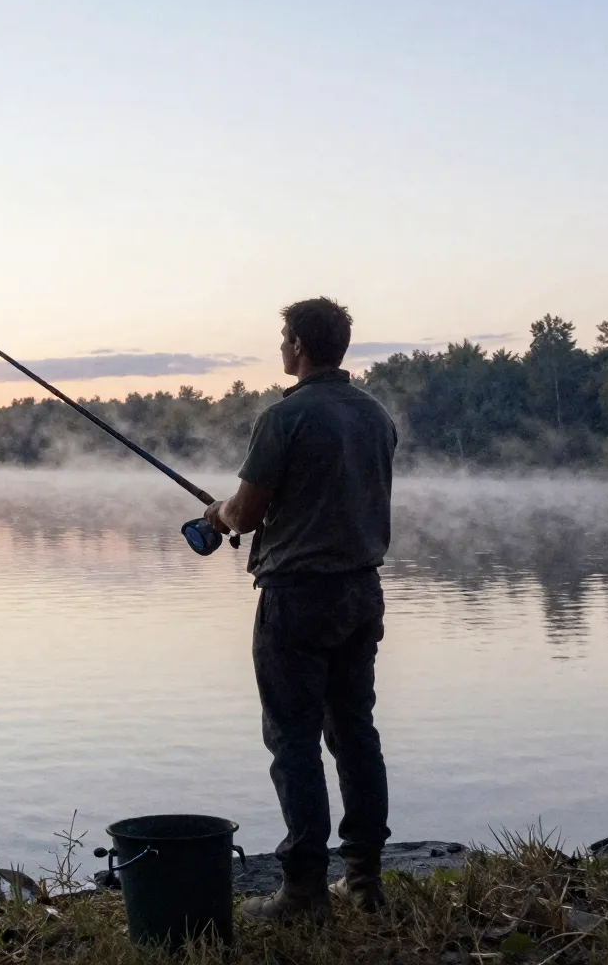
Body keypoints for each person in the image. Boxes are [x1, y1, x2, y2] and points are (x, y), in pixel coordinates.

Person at [202, 296, 397, 922]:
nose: (282, 347)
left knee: (293, 741)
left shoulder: (283, 418)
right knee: (355, 733)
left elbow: (246, 513)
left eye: (285, 338)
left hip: (296, 600)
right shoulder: (375, 416)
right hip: (361, 593)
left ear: (301, 346)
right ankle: (364, 880)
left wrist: (218, 514)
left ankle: (304, 891)